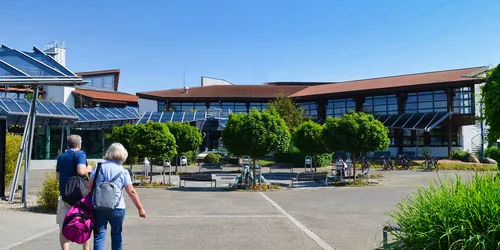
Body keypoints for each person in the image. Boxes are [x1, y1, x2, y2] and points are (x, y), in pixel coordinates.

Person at [86, 143, 146, 250]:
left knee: (99, 236)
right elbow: (131, 192)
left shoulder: (98, 167)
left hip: (99, 206)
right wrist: (140, 208)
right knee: (117, 235)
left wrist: (85, 204)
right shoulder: (123, 171)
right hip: (117, 207)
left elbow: (89, 187)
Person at [56, 135, 93, 250]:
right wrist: (89, 169)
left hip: (65, 195)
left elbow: (57, 177)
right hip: (79, 196)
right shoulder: (80, 154)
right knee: (85, 223)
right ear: (79, 144)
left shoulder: (61, 156)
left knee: (63, 226)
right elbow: (81, 171)